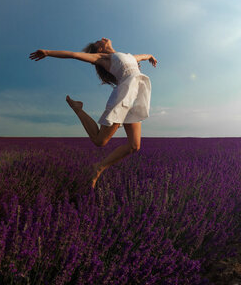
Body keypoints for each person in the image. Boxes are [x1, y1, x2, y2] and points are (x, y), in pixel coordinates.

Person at [29, 37, 157, 188]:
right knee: (100, 141)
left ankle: (99, 168)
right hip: (124, 94)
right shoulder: (102, 58)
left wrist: (150, 57)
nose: (102, 38)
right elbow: (73, 55)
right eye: (98, 42)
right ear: (100, 49)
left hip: (136, 96)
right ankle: (78, 110)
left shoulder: (128, 56)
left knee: (134, 146)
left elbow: (143, 56)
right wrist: (48, 52)